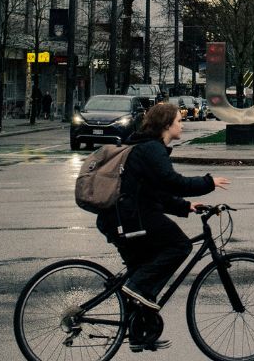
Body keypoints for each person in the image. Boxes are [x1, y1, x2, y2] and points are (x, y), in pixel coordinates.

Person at [96, 103, 230, 352]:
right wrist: (208, 182)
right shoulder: (152, 149)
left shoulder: (146, 147)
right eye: (179, 121)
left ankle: (140, 333)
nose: (182, 125)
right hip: (130, 219)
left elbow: (155, 191)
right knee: (180, 246)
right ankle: (135, 288)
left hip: (120, 218)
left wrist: (185, 206)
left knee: (146, 270)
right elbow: (172, 182)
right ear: (167, 125)